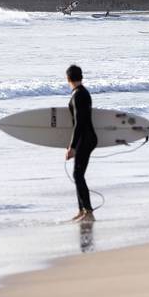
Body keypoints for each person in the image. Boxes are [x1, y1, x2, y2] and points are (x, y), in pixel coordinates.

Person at [65, 64, 98, 222]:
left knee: (78, 175)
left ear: (68, 78)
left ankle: (88, 211)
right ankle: (82, 210)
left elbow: (79, 123)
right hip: (86, 138)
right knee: (78, 174)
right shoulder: (83, 93)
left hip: (85, 139)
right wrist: (72, 143)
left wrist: (72, 147)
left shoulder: (78, 95)